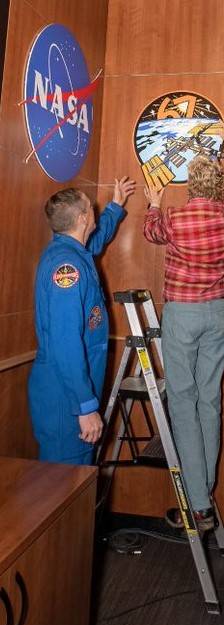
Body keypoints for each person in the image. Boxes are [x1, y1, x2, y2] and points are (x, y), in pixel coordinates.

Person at [143, 117, 224, 532]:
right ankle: (204, 488)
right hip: (218, 312)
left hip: (183, 314)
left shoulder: (175, 219)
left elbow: (151, 231)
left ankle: (200, 504)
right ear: (218, 186)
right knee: (209, 401)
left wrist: (153, 201)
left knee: (183, 402)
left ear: (190, 185)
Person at [28, 177, 136, 465]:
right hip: (67, 400)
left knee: (70, 488)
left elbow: (96, 240)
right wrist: (85, 407)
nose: (95, 212)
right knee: (63, 490)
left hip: (70, 393)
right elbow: (65, 342)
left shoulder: (73, 252)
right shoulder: (68, 268)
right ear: (82, 217)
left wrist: (115, 205)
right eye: (92, 208)